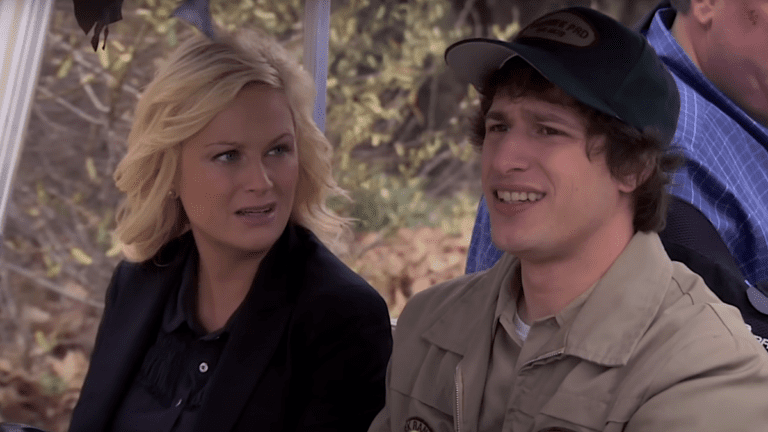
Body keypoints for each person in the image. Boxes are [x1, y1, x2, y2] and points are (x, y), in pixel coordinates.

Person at [369, 7, 768, 432]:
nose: (504, 159)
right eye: (498, 126)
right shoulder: (428, 324)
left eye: (547, 130)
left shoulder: (705, 367)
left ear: (632, 166)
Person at [69, 29, 392, 432]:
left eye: (278, 150)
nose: (261, 181)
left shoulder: (342, 318)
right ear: (170, 168)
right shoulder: (134, 286)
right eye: (228, 155)